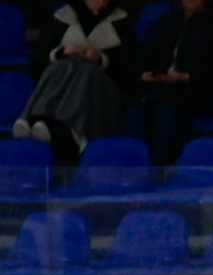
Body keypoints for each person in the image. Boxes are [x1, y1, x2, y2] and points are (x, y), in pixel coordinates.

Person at [13, 0, 137, 161]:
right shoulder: (62, 17)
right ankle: (34, 117)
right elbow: (38, 58)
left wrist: (100, 59)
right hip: (64, 77)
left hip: (102, 89)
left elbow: (129, 66)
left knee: (87, 71)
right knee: (59, 67)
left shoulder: (123, 21)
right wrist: (62, 52)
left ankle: (70, 127)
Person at [123, 0, 213, 165]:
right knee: (136, 107)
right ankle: (131, 168)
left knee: (166, 108)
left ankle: (160, 167)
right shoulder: (163, 24)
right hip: (159, 86)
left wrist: (187, 76)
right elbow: (143, 59)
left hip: (195, 88)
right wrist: (144, 74)